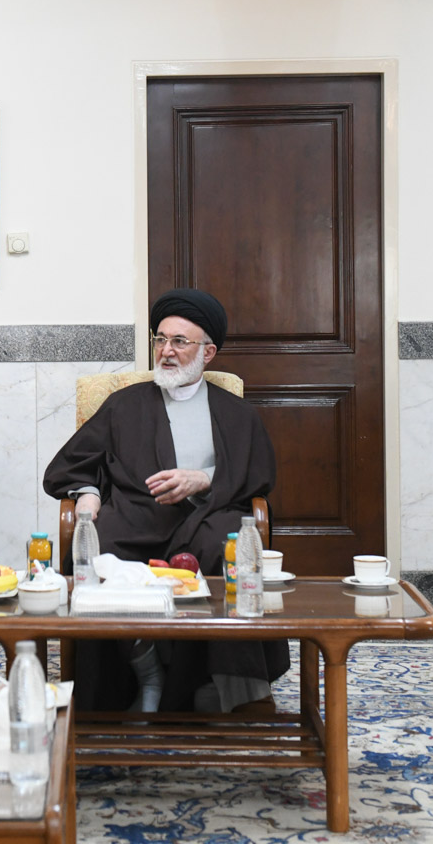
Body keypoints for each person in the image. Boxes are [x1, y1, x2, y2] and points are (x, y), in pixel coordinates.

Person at [43, 287, 289, 713]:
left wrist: (203, 479)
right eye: (160, 339)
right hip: (137, 516)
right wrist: (87, 496)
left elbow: (258, 476)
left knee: (228, 546)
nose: (166, 351)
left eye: (179, 341)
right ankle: (133, 679)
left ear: (208, 352)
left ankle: (225, 687)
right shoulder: (124, 405)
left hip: (208, 516)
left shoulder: (236, 413)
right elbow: (75, 463)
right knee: (102, 546)